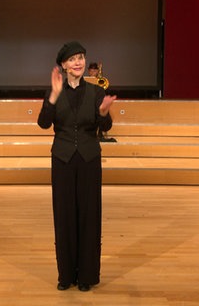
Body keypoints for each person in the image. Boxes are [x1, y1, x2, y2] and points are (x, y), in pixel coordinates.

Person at [37, 41, 117, 292]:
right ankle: (66, 275)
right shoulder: (54, 91)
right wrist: (52, 96)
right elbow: (43, 123)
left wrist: (103, 113)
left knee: (88, 216)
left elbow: (105, 128)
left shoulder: (95, 92)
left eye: (81, 57)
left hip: (89, 159)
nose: (78, 62)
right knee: (64, 216)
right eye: (72, 59)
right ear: (63, 65)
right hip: (62, 159)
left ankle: (86, 276)